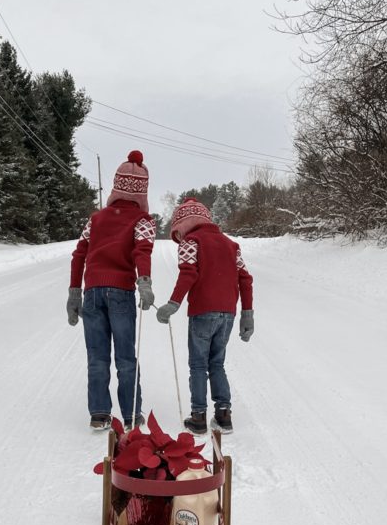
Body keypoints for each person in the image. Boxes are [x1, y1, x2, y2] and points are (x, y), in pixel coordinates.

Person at [67, 150, 156, 432]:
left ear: (116, 187)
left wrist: (74, 292)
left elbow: (79, 254)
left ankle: (100, 413)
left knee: (98, 355)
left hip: (92, 292)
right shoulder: (143, 220)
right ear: (142, 192)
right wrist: (144, 281)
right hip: (120, 293)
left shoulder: (96, 219)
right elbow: (143, 250)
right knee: (126, 357)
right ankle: (130, 415)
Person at [156, 198, 253, 435]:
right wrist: (247, 314)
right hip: (228, 314)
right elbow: (245, 279)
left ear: (184, 225)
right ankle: (223, 415)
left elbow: (188, 273)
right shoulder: (231, 245)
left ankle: (198, 417)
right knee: (217, 362)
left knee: (198, 364)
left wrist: (173, 303)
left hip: (202, 312)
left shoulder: (192, 241)